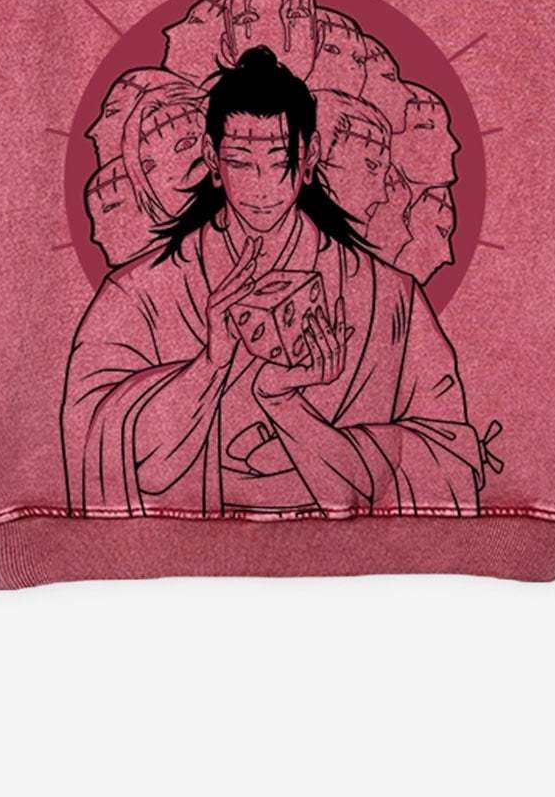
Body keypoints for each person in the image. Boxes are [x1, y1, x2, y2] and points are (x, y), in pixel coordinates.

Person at [60, 44, 486, 517]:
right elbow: (97, 442)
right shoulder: (139, 294)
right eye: (241, 162)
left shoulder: (388, 298)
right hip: (178, 557)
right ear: (212, 159)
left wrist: (286, 408)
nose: (261, 185)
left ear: (309, 157)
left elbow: (449, 457)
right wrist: (210, 365)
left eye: (279, 161)